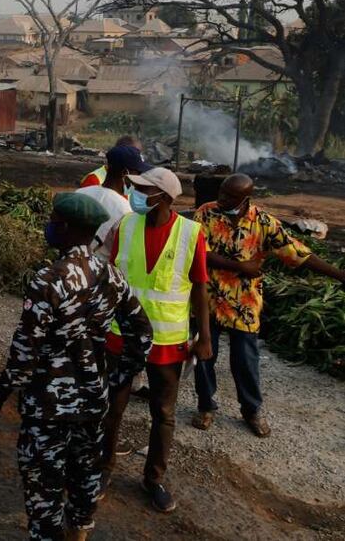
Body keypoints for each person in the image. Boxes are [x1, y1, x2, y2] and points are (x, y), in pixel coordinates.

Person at [0, 193, 153, 541]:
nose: (50, 226)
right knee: (84, 476)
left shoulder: (49, 280)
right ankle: (79, 532)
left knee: (44, 487)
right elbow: (142, 330)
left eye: (54, 221)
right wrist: (120, 379)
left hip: (47, 405)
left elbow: (24, 350)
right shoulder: (111, 275)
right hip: (93, 400)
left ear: (64, 228)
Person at [193, 173, 345, 437]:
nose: (222, 198)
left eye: (229, 195)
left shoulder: (263, 222)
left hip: (244, 301)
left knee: (246, 360)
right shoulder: (206, 213)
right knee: (205, 355)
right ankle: (206, 406)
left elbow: (297, 253)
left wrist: (339, 275)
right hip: (208, 298)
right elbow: (199, 253)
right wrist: (240, 266)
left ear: (245, 199)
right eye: (221, 192)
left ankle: (251, 410)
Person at [101, 166, 213, 514]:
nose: (135, 194)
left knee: (163, 414)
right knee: (111, 408)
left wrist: (204, 337)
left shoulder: (191, 233)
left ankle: (153, 479)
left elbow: (200, 288)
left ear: (163, 197)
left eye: (143, 190)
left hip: (168, 343)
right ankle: (103, 469)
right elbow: (110, 277)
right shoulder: (125, 226)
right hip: (123, 336)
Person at [76, 145, 148, 253]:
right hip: (101, 267)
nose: (139, 179)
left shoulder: (80, 194)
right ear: (125, 173)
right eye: (137, 173)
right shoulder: (126, 211)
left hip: (72, 263)